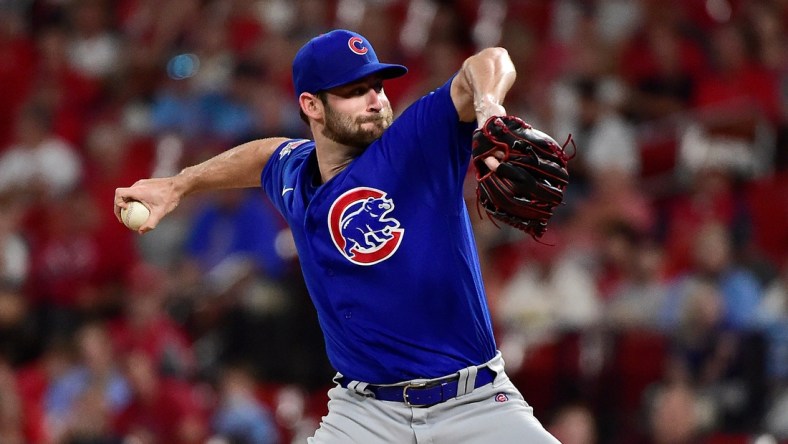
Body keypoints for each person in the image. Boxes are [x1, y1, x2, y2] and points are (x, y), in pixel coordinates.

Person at [114, 29, 559, 443]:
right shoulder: (294, 173)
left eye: (378, 87)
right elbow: (264, 155)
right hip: (364, 415)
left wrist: (489, 109)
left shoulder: (413, 145)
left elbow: (489, 61)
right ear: (311, 105)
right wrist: (177, 185)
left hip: (474, 404)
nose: (375, 100)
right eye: (354, 91)